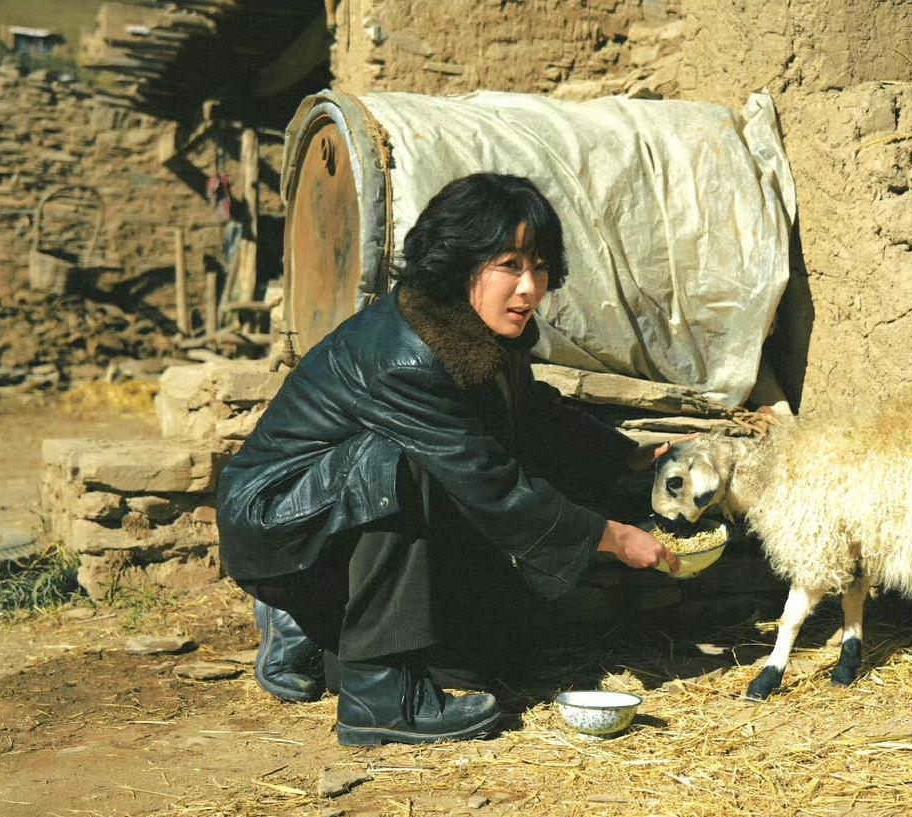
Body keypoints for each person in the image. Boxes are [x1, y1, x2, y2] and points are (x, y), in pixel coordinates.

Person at [216, 172, 678, 747]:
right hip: (281, 526)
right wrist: (612, 535)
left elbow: (531, 412)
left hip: (339, 520)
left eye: (538, 266)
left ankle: (315, 628)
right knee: (399, 464)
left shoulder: (469, 325)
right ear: (460, 263)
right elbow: (490, 484)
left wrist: (630, 461)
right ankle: (376, 699)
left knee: (485, 666)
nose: (530, 288)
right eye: (509, 265)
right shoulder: (405, 359)